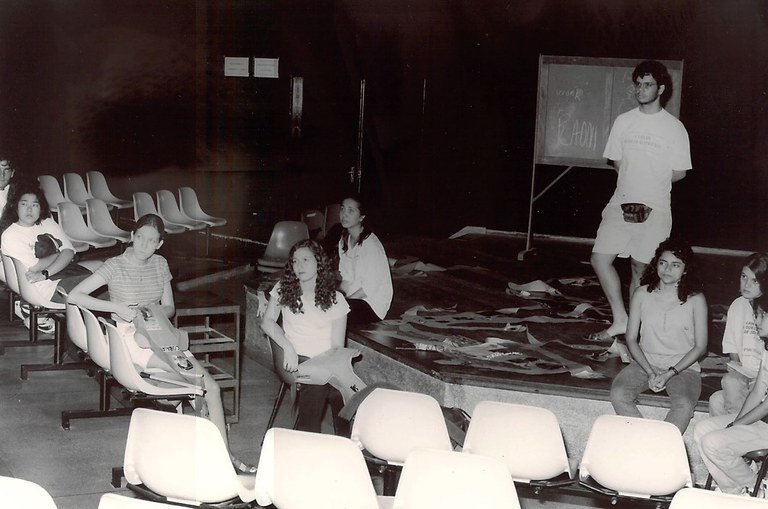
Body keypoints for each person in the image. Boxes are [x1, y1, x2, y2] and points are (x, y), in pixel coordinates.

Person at [66, 214, 255, 473]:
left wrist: (150, 313)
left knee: (208, 388)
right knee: (201, 386)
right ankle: (218, 453)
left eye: (151, 240)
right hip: (131, 342)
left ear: (159, 244)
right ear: (132, 237)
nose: (144, 244)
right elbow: (76, 295)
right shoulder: (114, 265)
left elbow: (169, 308)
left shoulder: (160, 264)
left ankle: (222, 455)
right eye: (140, 237)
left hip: (159, 335)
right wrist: (115, 307)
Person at [588, 60, 692, 342]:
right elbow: (618, 161)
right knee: (600, 259)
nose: (640, 90)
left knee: (639, 268)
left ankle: (633, 328)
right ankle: (620, 318)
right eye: (638, 84)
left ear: (660, 88)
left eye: (647, 85)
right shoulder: (624, 121)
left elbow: (679, 172)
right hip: (620, 203)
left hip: (655, 208)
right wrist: (631, 194)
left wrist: (648, 192)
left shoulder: (674, 128)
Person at [609, 238, 707, 433]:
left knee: (684, 405)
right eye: (663, 263)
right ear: (656, 264)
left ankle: (660, 447)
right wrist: (650, 371)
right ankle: (645, 440)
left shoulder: (696, 299)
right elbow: (630, 339)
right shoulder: (642, 294)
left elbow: (700, 347)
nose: (667, 269)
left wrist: (670, 372)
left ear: (685, 269)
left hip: (683, 368)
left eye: (675, 265)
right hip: (646, 363)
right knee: (618, 394)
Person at [260, 239, 350, 433]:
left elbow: (336, 348)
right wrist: (288, 348)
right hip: (292, 360)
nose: (299, 266)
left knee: (346, 395)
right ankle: (307, 443)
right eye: (294, 261)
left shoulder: (337, 299)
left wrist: (328, 370)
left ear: (319, 262)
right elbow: (267, 322)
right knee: (317, 386)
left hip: (325, 362)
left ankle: (345, 446)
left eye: (305, 260)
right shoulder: (284, 288)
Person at [694, 304, 768, 496]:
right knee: (701, 430)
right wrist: (735, 423)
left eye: (761, 316)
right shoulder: (767, 349)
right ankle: (735, 491)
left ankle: (758, 489)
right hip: (762, 422)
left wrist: (737, 424)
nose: (755, 321)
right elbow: (757, 392)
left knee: (713, 443)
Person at [0, 181, 91, 308]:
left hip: (62, 275)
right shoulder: (11, 235)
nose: (29, 209)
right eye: (24, 204)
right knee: (106, 288)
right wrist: (60, 254)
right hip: (46, 289)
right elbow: (34, 268)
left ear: (40, 207)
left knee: (109, 277)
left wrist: (46, 272)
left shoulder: (48, 223)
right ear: (15, 207)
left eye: (35, 205)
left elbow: (70, 252)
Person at [709, 253, 768, 416]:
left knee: (727, 390)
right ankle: (735, 432)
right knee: (717, 398)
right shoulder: (738, 305)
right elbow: (733, 349)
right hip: (744, 376)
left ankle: (736, 431)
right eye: (744, 277)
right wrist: (741, 375)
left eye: (754, 280)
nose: (746, 285)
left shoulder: (765, 311)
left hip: (763, 381)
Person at [337, 194, 393, 326]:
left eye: (351, 210)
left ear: (362, 217)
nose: (344, 214)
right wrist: (338, 297)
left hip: (372, 304)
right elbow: (346, 280)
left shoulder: (371, 245)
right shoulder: (344, 241)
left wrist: (342, 304)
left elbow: (369, 288)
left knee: (330, 315)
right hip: (353, 300)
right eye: (342, 209)